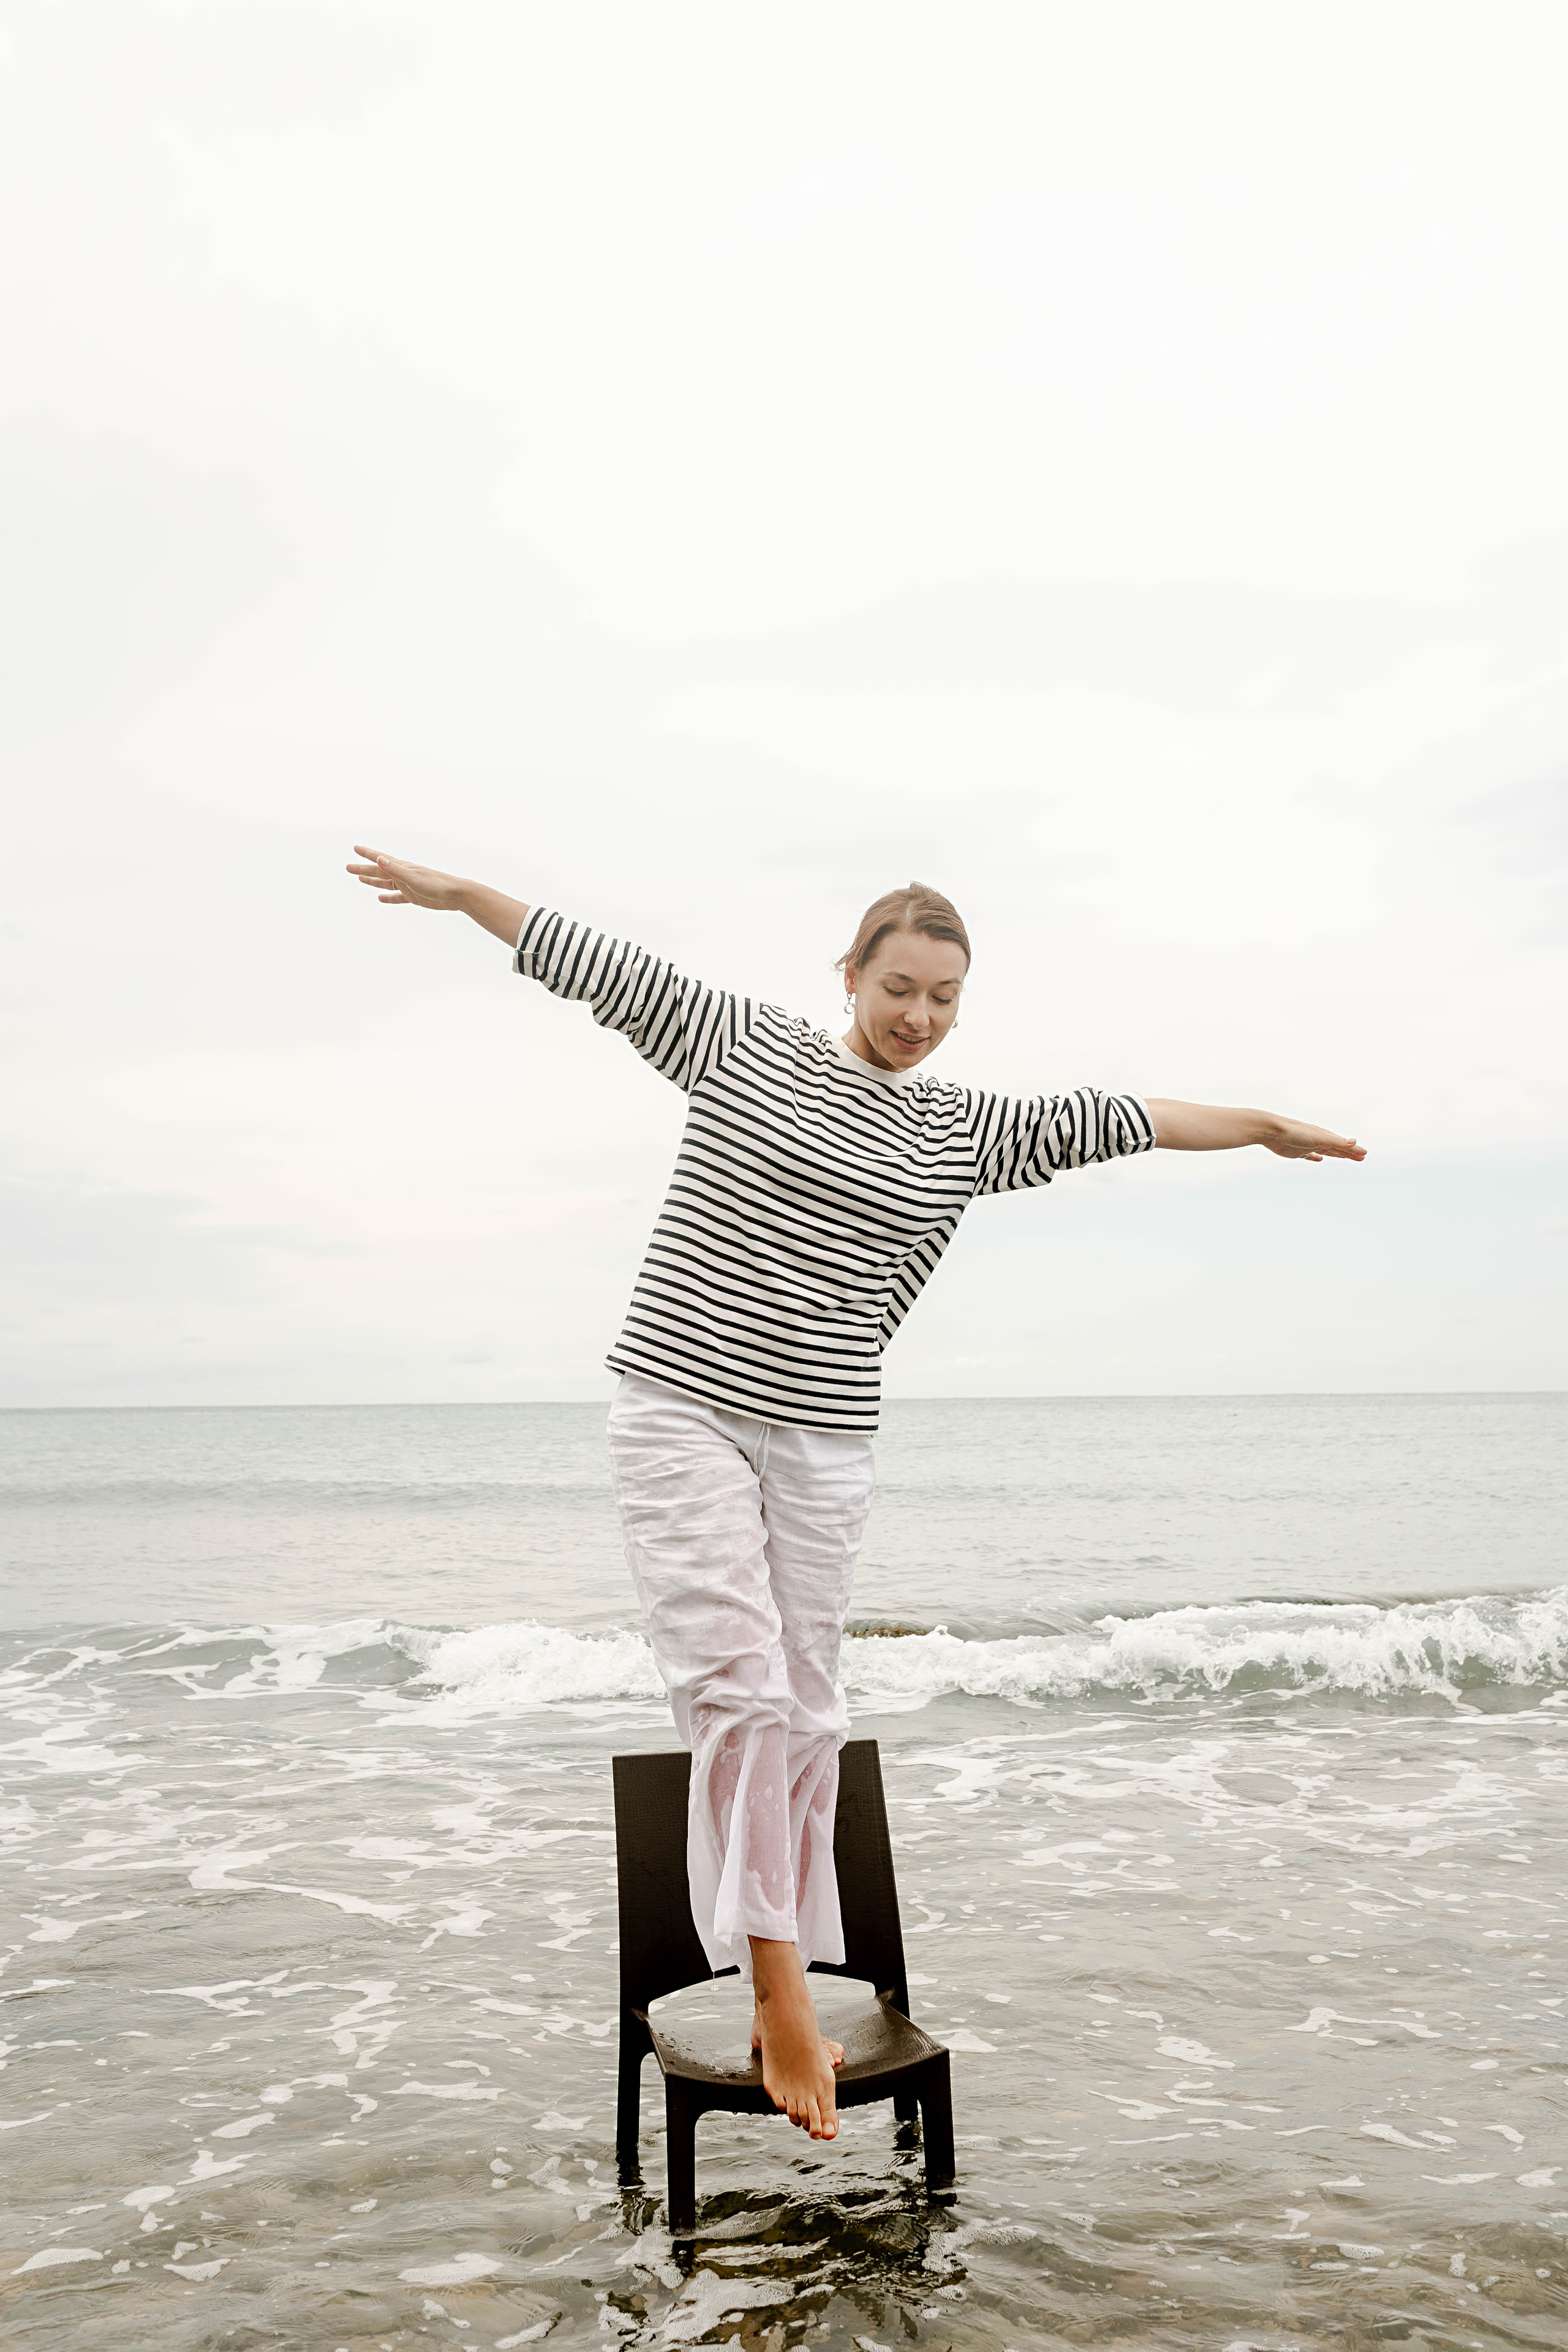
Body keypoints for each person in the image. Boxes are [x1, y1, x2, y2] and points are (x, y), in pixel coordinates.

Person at [347, 847, 1365, 2141]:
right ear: (851, 974)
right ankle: (776, 1990)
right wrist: (463, 899)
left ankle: (792, 1952)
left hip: (823, 1438)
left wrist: (1267, 1126)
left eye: (945, 997)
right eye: (899, 986)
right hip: (681, 1404)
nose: (919, 1017)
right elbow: (594, 963)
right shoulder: (743, 1046)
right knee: (740, 1690)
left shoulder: (967, 1128)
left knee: (810, 1705)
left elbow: (1131, 1117)